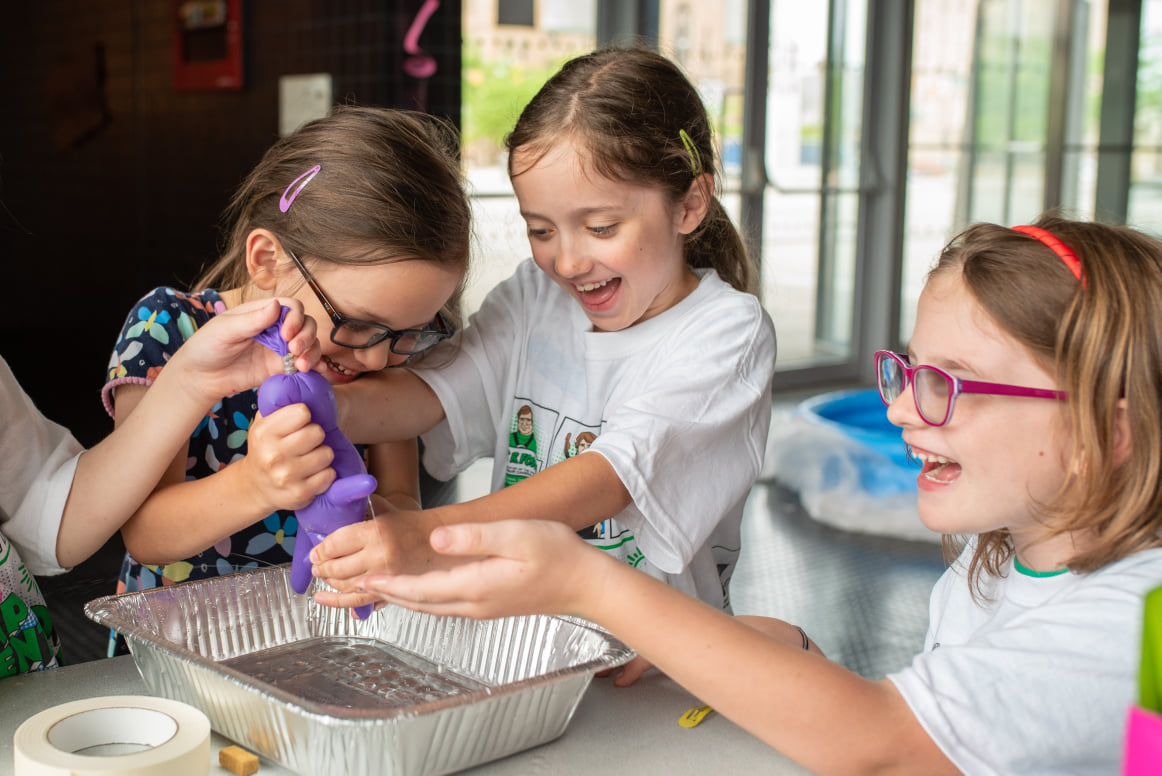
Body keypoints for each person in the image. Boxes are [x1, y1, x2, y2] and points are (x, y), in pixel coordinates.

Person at [323, 214, 1162, 774]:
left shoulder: (1133, 623)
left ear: (1108, 431)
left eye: (953, 383)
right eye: (908, 371)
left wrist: (589, 584)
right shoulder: (1001, 565)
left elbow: (884, 743)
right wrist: (789, 652)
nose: (903, 407)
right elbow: (956, 735)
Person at [310, 47, 777, 673]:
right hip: (526, 651)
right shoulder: (535, 297)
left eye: (601, 227)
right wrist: (313, 399)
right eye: (541, 229)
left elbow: (611, 477)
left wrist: (429, 536)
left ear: (689, 205)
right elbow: (422, 399)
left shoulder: (728, 331)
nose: (567, 262)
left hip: (655, 665)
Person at [101, 106, 471, 654]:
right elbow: (146, 533)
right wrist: (256, 485)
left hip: (314, 642)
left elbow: (398, 496)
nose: (377, 359)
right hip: (181, 650)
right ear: (267, 260)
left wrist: (383, 527)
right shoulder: (169, 330)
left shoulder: (383, 360)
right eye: (360, 324)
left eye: (412, 333)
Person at [2, 298, 320, 676]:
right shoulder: (165, 321)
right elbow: (146, 533)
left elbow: (45, 512)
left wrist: (193, 381)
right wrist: (254, 486)